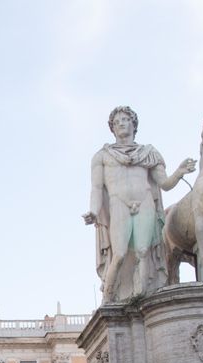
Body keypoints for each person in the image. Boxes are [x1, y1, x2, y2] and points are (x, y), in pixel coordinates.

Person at [83, 105, 196, 301]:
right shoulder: (102, 156)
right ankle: (109, 299)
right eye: (116, 122)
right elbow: (96, 188)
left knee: (144, 251)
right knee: (119, 254)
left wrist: (179, 172)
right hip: (119, 203)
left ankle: (142, 296)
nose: (121, 124)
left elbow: (164, 184)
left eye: (125, 120)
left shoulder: (148, 153)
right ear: (112, 128)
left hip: (144, 202)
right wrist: (93, 211)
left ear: (133, 124)